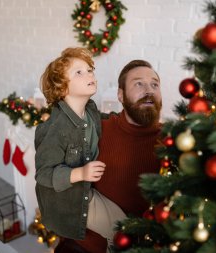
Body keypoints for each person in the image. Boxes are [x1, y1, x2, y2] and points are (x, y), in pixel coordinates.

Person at [34, 47, 126, 253]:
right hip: (71, 199)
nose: (90, 74)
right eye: (79, 72)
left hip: (86, 189)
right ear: (62, 87)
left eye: (90, 69)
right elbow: (44, 174)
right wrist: (81, 173)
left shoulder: (90, 110)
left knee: (125, 226)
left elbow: (106, 120)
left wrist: (125, 117)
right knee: (121, 230)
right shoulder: (57, 129)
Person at [73, 60, 163, 252]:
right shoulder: (98, 131)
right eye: (139, 83)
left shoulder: (174, 143)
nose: (149, 90)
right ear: (121, 96)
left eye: (154, 84)